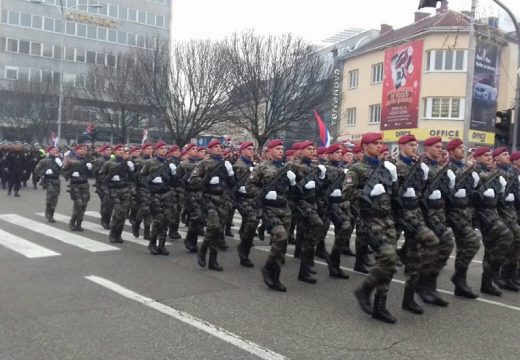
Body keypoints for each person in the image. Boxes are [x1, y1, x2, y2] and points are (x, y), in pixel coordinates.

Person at [344, 132, 399, 324]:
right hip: (369, 220)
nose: (379, 146)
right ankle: (365, 289)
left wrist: (395, 179)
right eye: (375, 143)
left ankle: (379, 306)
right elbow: (347, 193)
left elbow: (393, 194)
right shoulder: (356, 168)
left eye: (380, 143)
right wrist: (366, 194)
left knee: (389, 264)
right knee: (388, 256)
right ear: (364, 146)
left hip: (388, 220)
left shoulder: (386, 168)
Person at [393, 134, 439, 315]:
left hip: (415, 213)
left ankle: (409, 298)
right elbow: (386, 192)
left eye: (415, 145)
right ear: (401, 145)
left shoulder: (419, 166)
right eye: (410, 144)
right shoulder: (393, 165)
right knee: (387, 259)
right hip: (398, 214)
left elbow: (422, 190)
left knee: (418, 253)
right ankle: (375, 298)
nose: (414, 147)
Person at [246, 139, 296, 291]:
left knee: (282, 245)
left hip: (285, 208)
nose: (281, 151)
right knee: (280, 236)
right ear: (269, 151)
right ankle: (268, 268)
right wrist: (264, 194)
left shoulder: (287, 168)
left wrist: (294, 183)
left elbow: (292, 192)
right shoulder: (261, 168)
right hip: (269, 208)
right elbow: (249, 187)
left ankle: (275, 277)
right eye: (278, 148)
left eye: (282, 149)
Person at [417, 136, 455, 307]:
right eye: (437, 147)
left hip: (438, 213)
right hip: (424, 215)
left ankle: (429, 284)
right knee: (427, 250)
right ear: (427, 148)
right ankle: (421, 286)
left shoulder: (438, 167)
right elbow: (411, 192)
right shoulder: (420, 167)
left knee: (445, 245)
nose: (441, 149)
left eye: (442, 147)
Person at [472, 146, 513, 296]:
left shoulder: (491, 172)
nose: (490, 158)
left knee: (492, 247)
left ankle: (488, 281)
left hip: (493, 212)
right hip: (482, 214)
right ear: (477, 157)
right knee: (505, 236)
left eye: (490, 155)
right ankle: (492, 275)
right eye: (486, 155)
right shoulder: (474, 172)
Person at [189, 139, 235, 271]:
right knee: (213, 226)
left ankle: (213, 260)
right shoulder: (203, 163)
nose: (219, 149)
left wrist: (231, 173)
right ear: (209, 150)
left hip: (223, 200)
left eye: (220, 147)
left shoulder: (225, 163)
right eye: (216, 147)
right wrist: (208, 179)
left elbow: (231, 184)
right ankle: (203, 249)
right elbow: (193, 181)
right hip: (209, 199)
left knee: (218, 230)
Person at [445, 138, 481, 298]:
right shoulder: (447, 168)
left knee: (464, 246)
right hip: (453, 212)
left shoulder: (466, 167)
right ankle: (458, 278)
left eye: (463, 147)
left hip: (466, 212)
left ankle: (460, 281)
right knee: (472, 242)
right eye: (459, 148)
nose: (463, 150)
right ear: (451, 151)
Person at [139, 142, 177, 255]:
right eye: (161, 148)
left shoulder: (170, 163)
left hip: (167, 195)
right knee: (158, 220)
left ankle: (162, 245)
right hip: (154, 195)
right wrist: (151, 181)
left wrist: (174, 173)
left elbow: (174, 182)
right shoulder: (149, 162)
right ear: (157, 150)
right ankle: (152, 243)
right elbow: (141, 178)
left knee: (166, 220)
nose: (164, 150)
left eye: (165, 148)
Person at [98, 144, 134, 243]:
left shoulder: (127, 163)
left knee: (123, 215)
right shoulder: (108, 163)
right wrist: (111, 179)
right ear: (115, 151)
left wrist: (131, 170)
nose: (122, 151)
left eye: (123, 150)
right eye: (119, 150)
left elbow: (132, 179)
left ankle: (119, 234)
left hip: (125, 191)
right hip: (114, 191)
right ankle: (113, 234)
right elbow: (101, 177)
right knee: (117, 214)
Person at [233, 141, 259, 267]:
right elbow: (233, 182)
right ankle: (244, 249)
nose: (251, 151)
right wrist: (240, 189)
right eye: (249, 149)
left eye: (252, 149)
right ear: (242, 151)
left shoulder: (252, 164)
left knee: (251, 220)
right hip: (241, 197)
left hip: (251, 197)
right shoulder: (239, 164)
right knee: (252, 219)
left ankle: (244, 236)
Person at [62, 144, 93, 231]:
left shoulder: (87, 161)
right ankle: (72, 222)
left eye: (84, 149)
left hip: (84, 185)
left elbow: (91, 175)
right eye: (81, 149)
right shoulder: (71, 160)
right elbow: (64, 171)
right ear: (77, 150)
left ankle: (79, 224)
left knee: (83, 205)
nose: (83, 150)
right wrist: (72, 174)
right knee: (78, 204)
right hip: (75, 185)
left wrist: (90, 169)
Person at [34, 145, 63, 223]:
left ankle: (51, 215)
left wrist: (61, 165)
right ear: (49, 151)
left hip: (56, 180)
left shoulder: (58, 160)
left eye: (56, 150)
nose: (55, 151)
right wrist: (42, 175)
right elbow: (36, 170)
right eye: (53, 150)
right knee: (50, 195)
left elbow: (64, 171)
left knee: (55, 198)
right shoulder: (44, 160)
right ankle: (48, 211)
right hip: (48, 180)